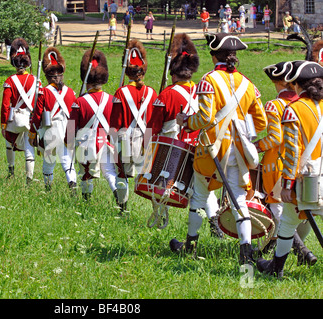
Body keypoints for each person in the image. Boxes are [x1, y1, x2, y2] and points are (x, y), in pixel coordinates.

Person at [176, 33, 267, 264]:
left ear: (213, 55)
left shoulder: (208, 80)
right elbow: (261, 123)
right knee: (239, 200)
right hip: (237, 151)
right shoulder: (249, 84)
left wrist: (186, 122)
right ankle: (245, 252)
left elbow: (205, 117)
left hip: (211, 149)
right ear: (234, 57)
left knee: (199, 197)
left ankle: (190, 245)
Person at [147, 33, 223, 241]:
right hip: (199, 148)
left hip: (174, 150)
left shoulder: (167, 94)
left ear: (174, 71)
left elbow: (153, 128)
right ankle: (215, 223)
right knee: (203, 191)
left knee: (161, 185)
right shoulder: (203, 90)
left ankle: (160, 216)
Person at [257, 61, 323, 278]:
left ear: (295, 84)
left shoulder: (293, 110)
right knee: (287, 221)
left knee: (286, 222)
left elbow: (293, 152)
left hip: (306, 178)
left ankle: (277, 268)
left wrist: (287, 184)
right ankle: (276, 267)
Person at [110, 39, 158, 214]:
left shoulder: (121, 92)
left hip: (126, 140)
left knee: (121, 175)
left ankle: (123, 209)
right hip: (146, 142)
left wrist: (112, 142)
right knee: (150, 176)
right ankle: (156, 210)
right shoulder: (152, 92)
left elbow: (115, 122)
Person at [70, 49, 117, 201]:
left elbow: (71, 128)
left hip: (87, 144)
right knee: (110, 172)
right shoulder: (111, 99)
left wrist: (69, 141)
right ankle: (121, 201)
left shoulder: (80, 102)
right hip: (106, 143)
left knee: (85, 174)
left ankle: (86, 201)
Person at [28, 47, 77, 192]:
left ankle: (48, 188)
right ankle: (72, 184)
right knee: (67, 160)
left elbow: (37, 115)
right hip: (68, 130)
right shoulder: (71, 92)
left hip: (51, 130)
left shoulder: (43, 92)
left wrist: (32, 133)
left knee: (48, 162)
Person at [0, 38, 41, 182]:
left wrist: (3, 124)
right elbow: (38, 102)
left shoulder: (10, 81)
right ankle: (29, 178)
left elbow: (5, 105)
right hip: (29, 119)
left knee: (8, 145)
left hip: (13, 118)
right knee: (29, 148)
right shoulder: (36, 80)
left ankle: (11, 172)